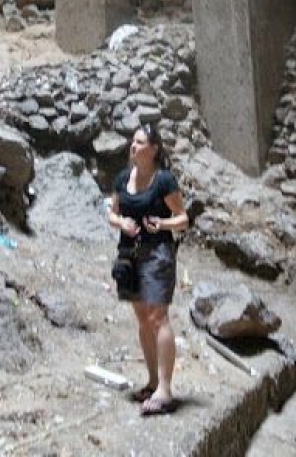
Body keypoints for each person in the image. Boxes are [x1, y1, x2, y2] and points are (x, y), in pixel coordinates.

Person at [108, 123, 188, 415]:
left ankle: (165, 390)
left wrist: (162, 223)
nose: (133, 146)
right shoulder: (122, 178)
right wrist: (121, 224)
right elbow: (112, 213)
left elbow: (183, 218)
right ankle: (153, 381)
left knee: (158, 317)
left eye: (140, 142)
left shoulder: (163, 180)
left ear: (153, 149)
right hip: (130, 254)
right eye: (133, 141)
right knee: (142, 318)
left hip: (158, 254)